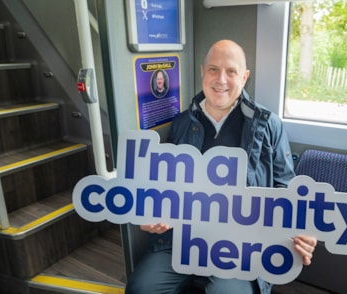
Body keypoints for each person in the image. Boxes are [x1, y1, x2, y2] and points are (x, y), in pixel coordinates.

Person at [125, 39, 317, 294]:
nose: (221, 80)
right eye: (213, 69)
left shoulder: (268, 124)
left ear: (245, 77)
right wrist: (152, 212)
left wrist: (302, 230)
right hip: (181, 240)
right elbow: (166, 185)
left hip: (241, 247)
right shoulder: (182, 123)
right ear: (203, 71)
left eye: (231, 71)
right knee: (140, 289)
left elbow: (286, 187)